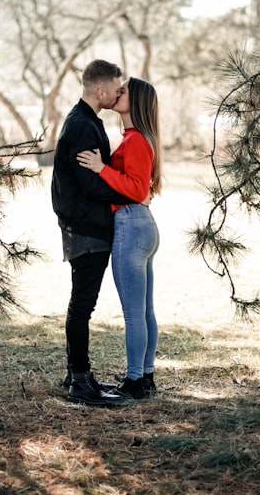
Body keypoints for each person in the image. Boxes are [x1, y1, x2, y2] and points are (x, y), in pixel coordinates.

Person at [51, 59, 133, 407]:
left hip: (84, 223)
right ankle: (81, 382)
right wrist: (131, 192)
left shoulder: (84, 120)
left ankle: (76, 373)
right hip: (86, 226)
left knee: (81, 304)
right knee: (82, 306)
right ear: (101, 91)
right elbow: (91, 184)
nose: (119, 92)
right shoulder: (83, 126)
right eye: (116, 87)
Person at [77, 77, 161, 400]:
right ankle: (146, 375)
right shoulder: (134, 139)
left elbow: (138, 190)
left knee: (134, 313)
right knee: (145, 310)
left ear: (135, 102)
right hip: (142, 226)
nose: (118, 92)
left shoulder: (137, 140)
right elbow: (140, 186)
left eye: (124, 90)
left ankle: (135, 381)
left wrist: (101, 168)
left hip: (131, 225)